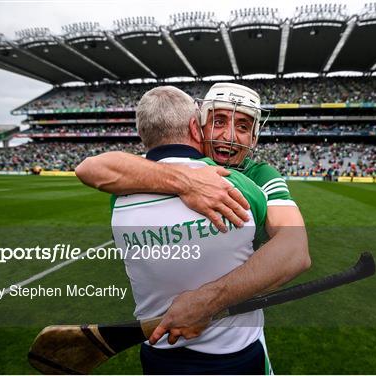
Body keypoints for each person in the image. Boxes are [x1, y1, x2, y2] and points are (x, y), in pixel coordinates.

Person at [76, 83, 310, 366]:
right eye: (219, 121)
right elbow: (90, 168)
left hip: (234, 333)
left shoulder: (260, 175)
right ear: (198, 126)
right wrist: (187, 181)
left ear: (254, 137)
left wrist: (208, 301)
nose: (229, 136)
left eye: (243, 126)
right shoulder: (157, 166)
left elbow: (294, 248)